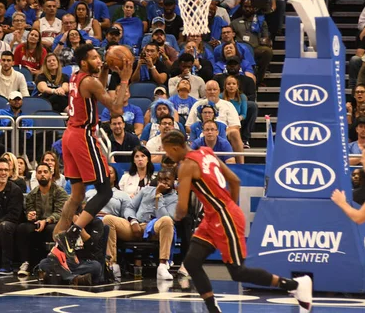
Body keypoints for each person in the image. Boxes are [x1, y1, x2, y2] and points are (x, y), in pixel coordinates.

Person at [161, 130, 313, 313]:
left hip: (224, 217)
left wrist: (176, 216)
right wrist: (227, 207)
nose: (167, 155)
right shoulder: (206, 152)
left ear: (175, 148)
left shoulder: (186, 166)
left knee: (238, 272)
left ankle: (295, 285)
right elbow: (235, 180)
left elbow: (183, 208)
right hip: (214, 216)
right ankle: (213, 310)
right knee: (192, 262)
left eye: (167, 151)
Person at [53, 44, 132, 262]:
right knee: (105, 191)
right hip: (83, 136)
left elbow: (99, 88)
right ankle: (73, 233)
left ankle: (57, 240)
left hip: (69, 134)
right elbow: (115, 108)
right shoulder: (90, 81)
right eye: (95, 58)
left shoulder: (77, 76)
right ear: (84, 63)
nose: (100, 60)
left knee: (77, 194)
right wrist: (124, 78)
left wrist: (105, 70)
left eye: (100, 57)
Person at [103, 168, 177, 281]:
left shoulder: (175, 198)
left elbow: (165, 217)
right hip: (136, 227)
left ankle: (162, 267)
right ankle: (112, 265)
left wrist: (158, 196)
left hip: (155, 229)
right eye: (160, 179)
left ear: (174, 181)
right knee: (108, 219)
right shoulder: (146, 190)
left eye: (167, 179)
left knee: (167, 220)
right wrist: (133, 221)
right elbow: (130, 207)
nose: (163, 182)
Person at [17, 163, 68, 276]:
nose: (42, 175)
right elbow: (29, 210)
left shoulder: (60, 192)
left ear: (51, 175)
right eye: (39, 172)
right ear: (36, 176)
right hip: (38, 222)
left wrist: (46, 220)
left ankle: (54, 264)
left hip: (54, 223)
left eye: (45, 172)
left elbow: (60, 213)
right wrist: (30, 216)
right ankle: (26, 262)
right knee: (23, 228)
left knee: (51, 229)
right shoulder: (32, 194)